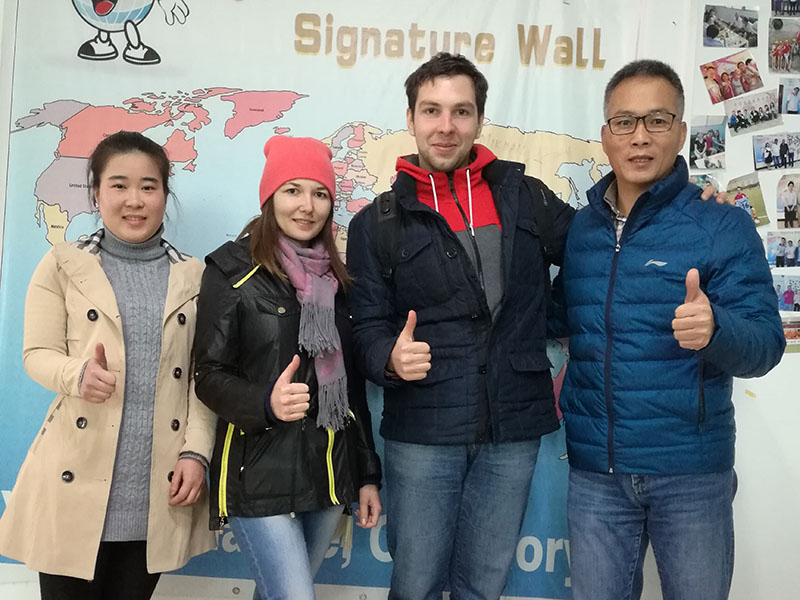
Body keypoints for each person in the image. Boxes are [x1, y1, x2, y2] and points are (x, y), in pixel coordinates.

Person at [345, 52, 574, 600]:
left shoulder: (526, 196)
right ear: (410, 118)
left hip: (512, 429)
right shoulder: (375, 223)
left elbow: (595, 251)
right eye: (432, 110)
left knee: (484, 586)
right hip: (423, 432)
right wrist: (388, 358)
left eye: (460, 111)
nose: (445, 126)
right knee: (416, 585)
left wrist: (546, 315)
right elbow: (364, 325)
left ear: (479, 119)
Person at [555, 60, 785, 600]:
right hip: (596, 476)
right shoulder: (581, 229)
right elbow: (556, 315)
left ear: (681, 133)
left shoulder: (721, 223)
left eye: (657, 120)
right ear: (606, 136)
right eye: (624, 122)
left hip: (691, 474)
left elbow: (766, 344)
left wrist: (716, 329)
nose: (640, 137)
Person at [0, 131, 217, 599]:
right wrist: (76, 374)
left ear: (165, 194)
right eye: (119, 185)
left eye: (148, 186)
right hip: (73, 475)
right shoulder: (62, 264)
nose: (134, 200)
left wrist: (196, 452)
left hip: (156, 486)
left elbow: (203, 379)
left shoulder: (194, 276)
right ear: (96, 192)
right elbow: (36, 353)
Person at [193, 136, 382, 600]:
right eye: (292, 190)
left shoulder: (337, 280)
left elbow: (351, 392)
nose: (307, 206)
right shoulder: (231, 269)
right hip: (258, 473)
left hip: (327, 471)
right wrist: (266, 401)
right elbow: (208, 375)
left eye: (320, 194)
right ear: (270, 197)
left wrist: (366, 475)